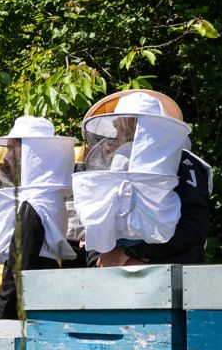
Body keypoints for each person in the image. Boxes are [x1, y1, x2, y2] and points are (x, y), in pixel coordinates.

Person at [73, 89, 211, 266]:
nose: (117, 129)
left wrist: (130, 254)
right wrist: (100, 260)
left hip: (172, 277)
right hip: (115, 280)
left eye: (125, 124)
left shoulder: (184, 163)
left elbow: (193, 228)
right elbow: (95, 225)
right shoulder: (114, 166)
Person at [0, 116, 76, 320]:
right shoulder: (50, 199)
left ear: (29, 152)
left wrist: (1, 311)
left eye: (12, 148)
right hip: (40, 295)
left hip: (26, 305)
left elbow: (18, 265)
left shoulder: (35, 203)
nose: (6, 157)